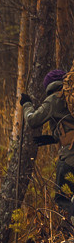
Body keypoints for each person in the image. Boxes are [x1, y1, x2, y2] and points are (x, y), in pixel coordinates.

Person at [22, 69, 74, 219]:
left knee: (62, 199)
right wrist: (54, 138)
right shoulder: (70, 99)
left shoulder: (55, 99)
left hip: (70, 158)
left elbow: (33, 120)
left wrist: (26, 104)